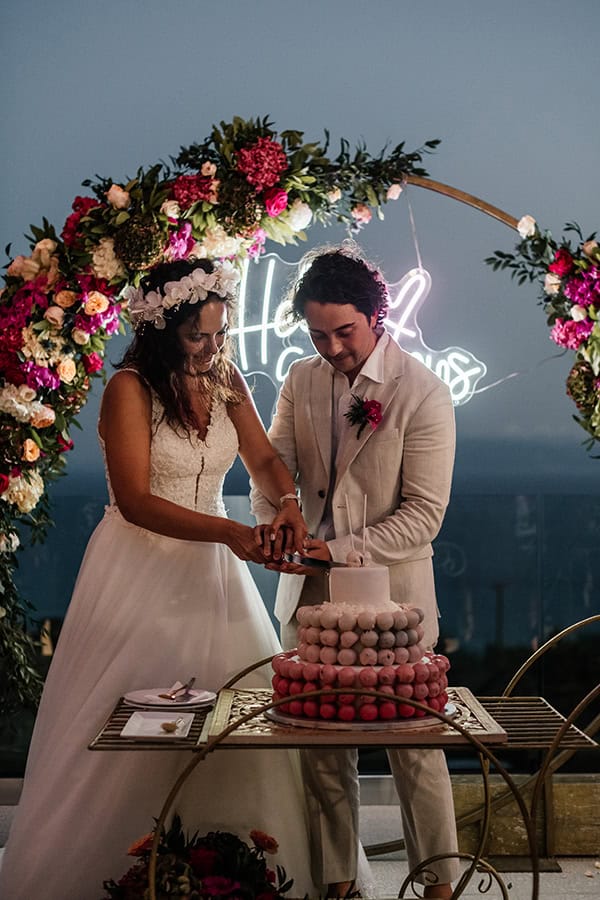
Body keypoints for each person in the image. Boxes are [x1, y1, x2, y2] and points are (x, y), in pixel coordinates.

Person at [0, 258, 317, 900]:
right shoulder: (129, 387)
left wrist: (287, 503)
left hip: (217, 571)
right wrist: (231, 532)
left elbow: (260, 458)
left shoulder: (226, 378)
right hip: (140, 565)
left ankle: (230, 866)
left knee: (234, 713)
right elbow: (137, 499)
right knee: (132, 717)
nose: (209, 347)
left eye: (219, 333)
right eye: (197, 335)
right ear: (163, 327)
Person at [251, 244, 460, 899]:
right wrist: (279, 522)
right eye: (318, 335)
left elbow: (423, 517)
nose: (333, 348)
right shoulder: (300, 382)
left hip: (395, 606)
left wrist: (333, 550)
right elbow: (272, 470)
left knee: (416, 751)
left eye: (344, 331)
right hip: (308, 597)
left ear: (377, 315)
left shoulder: (422, 391)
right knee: (320, 750)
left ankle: (441, 885)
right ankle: (338, 884)